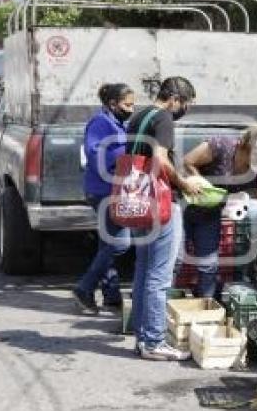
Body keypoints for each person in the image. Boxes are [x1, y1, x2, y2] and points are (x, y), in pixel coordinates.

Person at [127, 77, 202, 361]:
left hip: (138, 202)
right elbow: (160, 157)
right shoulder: (164, 119)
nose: (184, 109)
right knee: (159, 276)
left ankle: (142, 337)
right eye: (185, 104)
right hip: (161, 204)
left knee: (143, 271)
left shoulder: (138, 117)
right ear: (174, 99)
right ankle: (155, 341)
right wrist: (184, 184)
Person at [182, 126, 257, 299]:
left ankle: (206, 309)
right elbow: (188, 161)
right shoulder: (222, 145)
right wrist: (202, 185)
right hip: (184, 204)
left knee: (208, 265)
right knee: (174, 261)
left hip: (209, 213)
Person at [73, 83, 135, 314]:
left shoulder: (118, 123)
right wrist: (125, 153)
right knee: (120, 242)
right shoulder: (101, 123)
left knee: (107, 243)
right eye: (127, 104)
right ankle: (84, 287)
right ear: (112, 104)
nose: (131, 108)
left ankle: (110, 294)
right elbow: (95, 154)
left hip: (113, 190)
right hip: (103, 191)